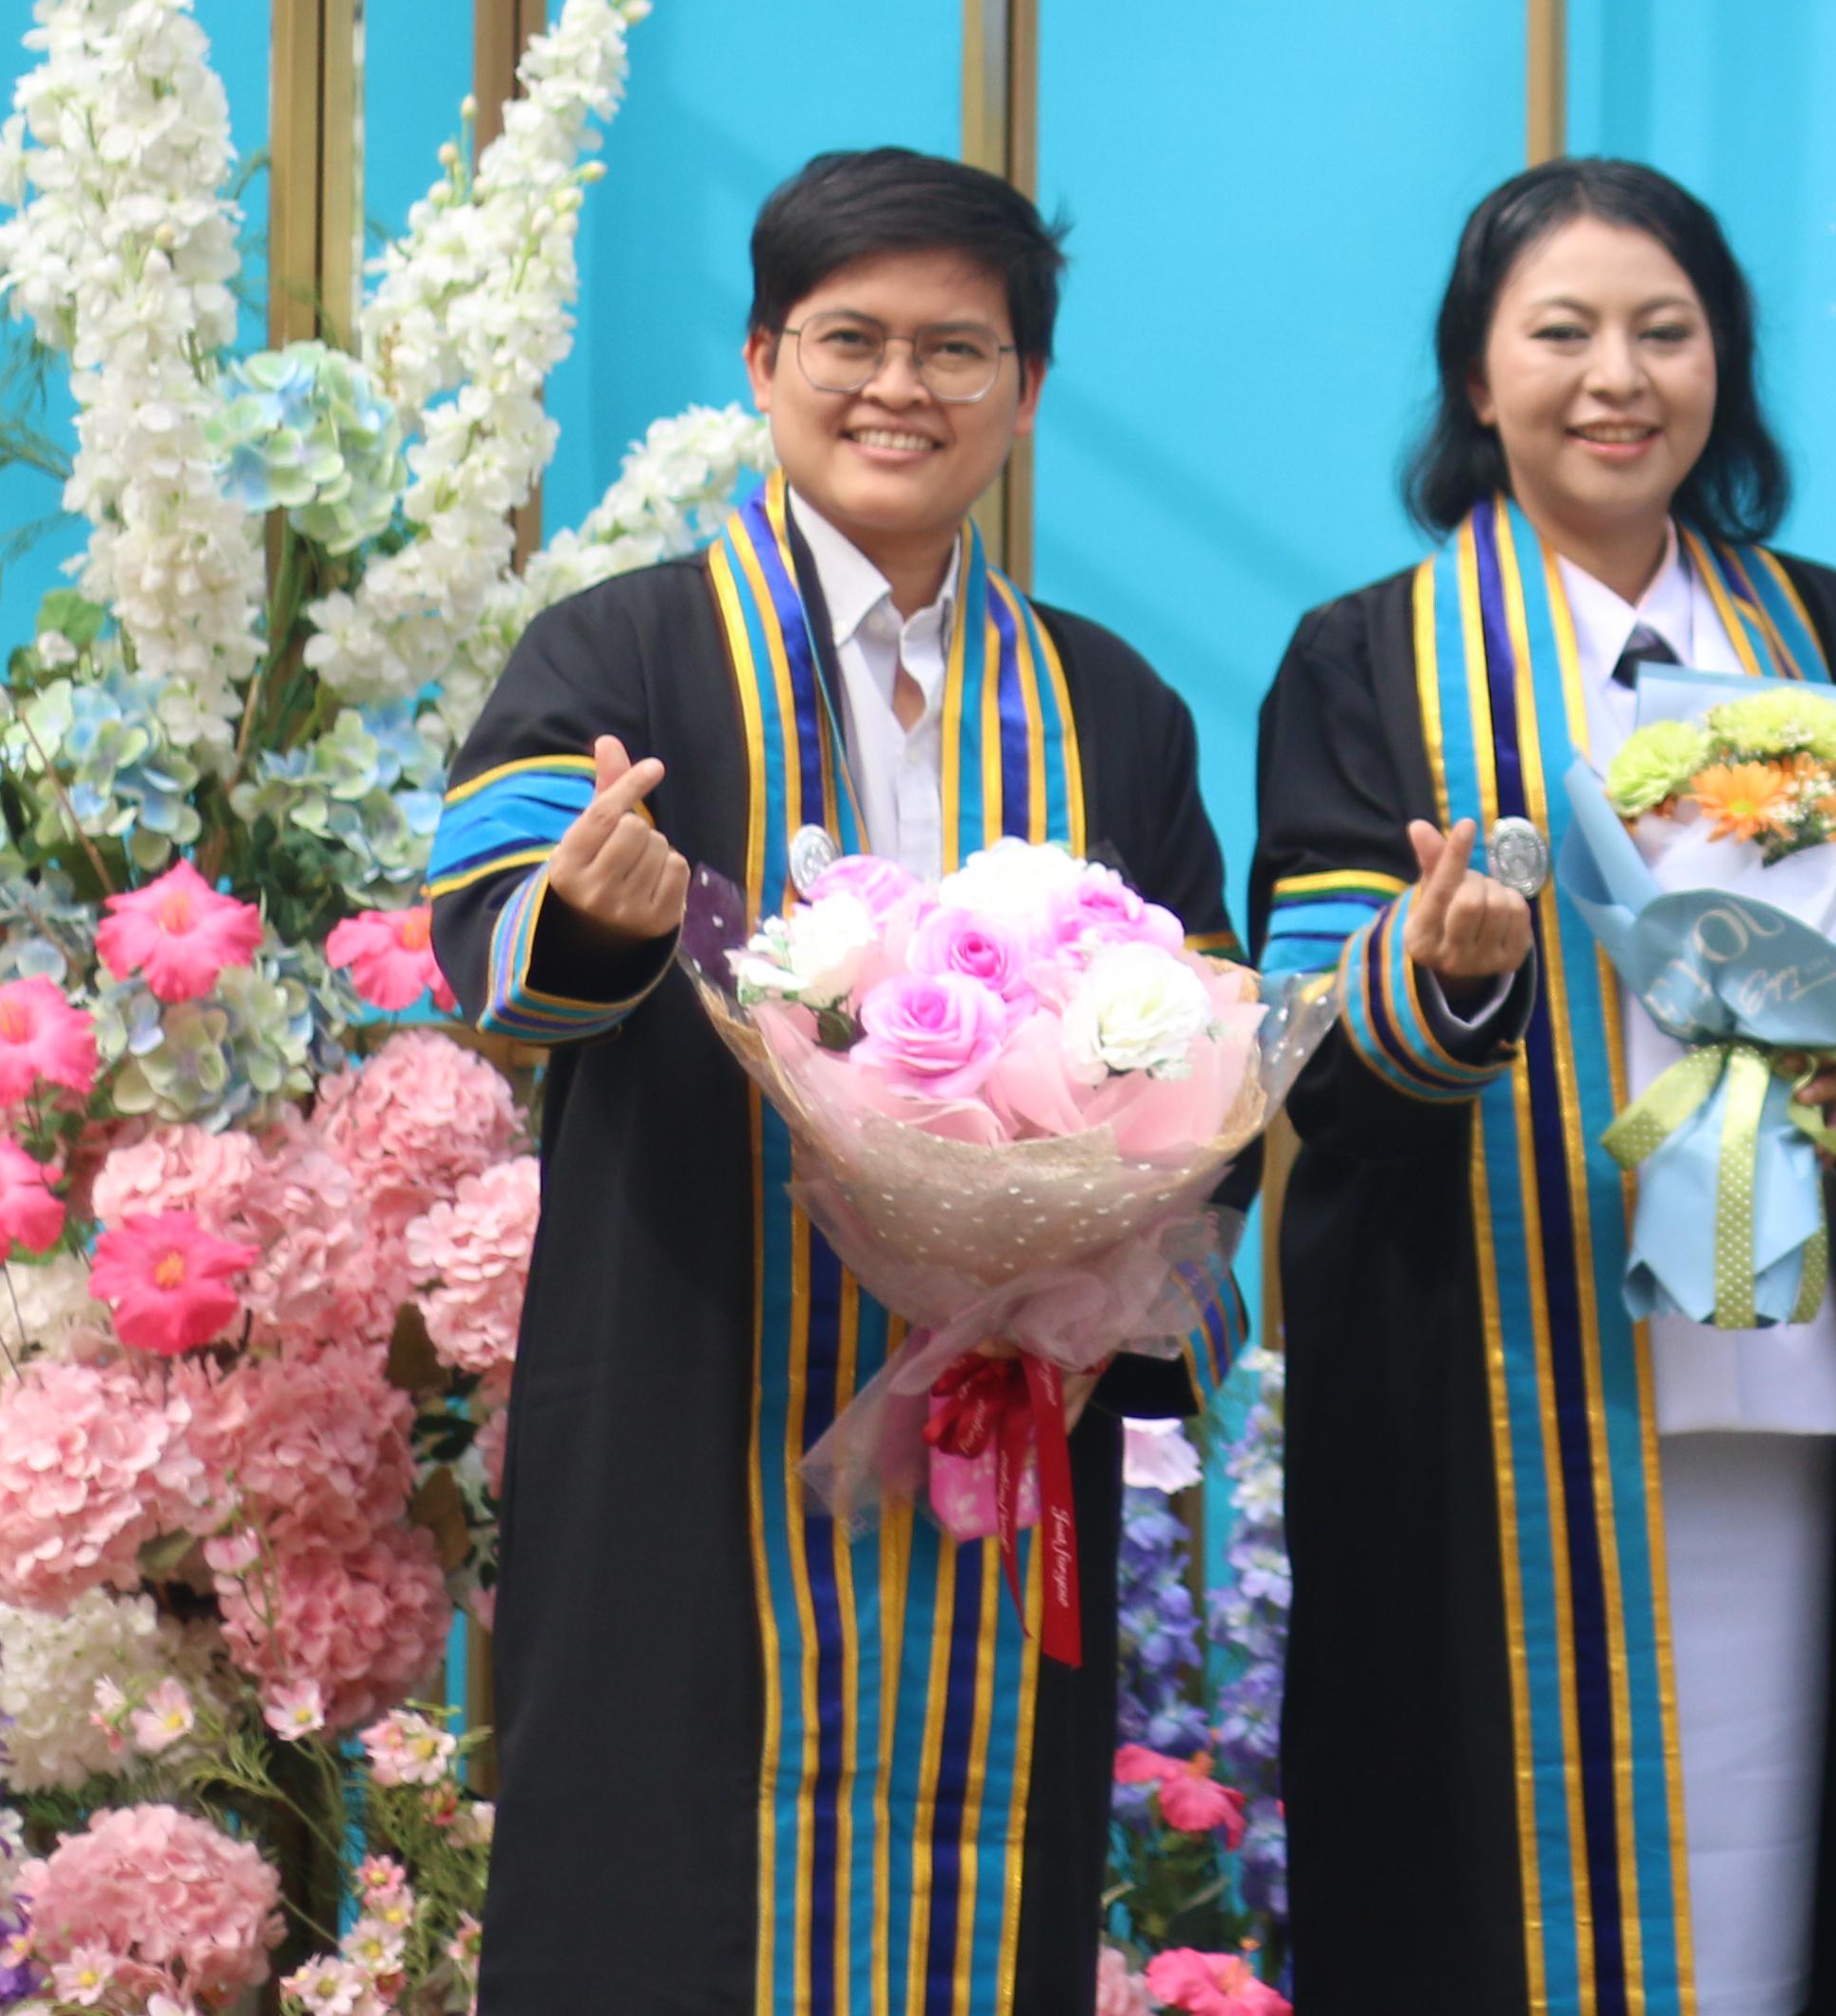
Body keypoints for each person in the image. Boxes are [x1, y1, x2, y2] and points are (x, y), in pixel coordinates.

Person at [427, 147, 1242, 2016]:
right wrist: (598, 917)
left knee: (982, 1877)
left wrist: (1125, 1180)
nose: (901, 388)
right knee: (660, 1866)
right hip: (696, 1379)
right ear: (763, 359)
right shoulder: (621, 649)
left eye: (958, 350)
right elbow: (486, 941)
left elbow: (1205, 1032)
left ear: (1026, 393)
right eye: (850, 339)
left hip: (1000, 1409)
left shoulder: (1109, 702)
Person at [1249, 159, 1836, 2016]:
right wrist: (1448, 971)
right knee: (1489, 1863)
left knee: (1782, 1815)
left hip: (1777, 1340)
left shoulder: (1819, 630)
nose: (1614, 376)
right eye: (1560, 332)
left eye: (1665, 331)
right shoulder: (1368, 657)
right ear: (1477, 378)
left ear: (1725, 367)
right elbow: (1309, 1019)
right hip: (1490, 1363)